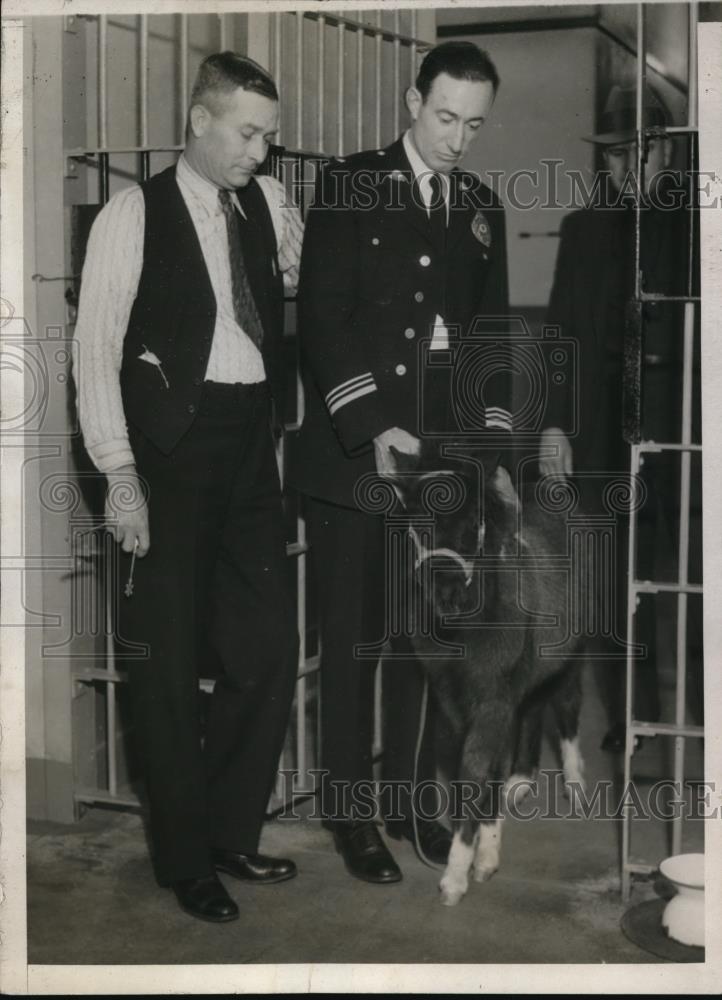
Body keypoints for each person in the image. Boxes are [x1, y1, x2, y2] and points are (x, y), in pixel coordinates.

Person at [73, 52, 304, 922]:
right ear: (198, 121)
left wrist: (285, 219)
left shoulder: (261, 204)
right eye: (247, 134)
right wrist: (120, 475)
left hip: (249, 446)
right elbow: (94, 350)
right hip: (166, 451)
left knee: (266, 647)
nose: (261, 151)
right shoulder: (130, 216)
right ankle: (183, 857)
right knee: (164, 664)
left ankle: (228, 829)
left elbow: (288, 282)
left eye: (269, 137)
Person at [289, 41, 511, 883]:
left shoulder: (481, 205)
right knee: (353, 644)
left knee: (426, 643)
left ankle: (416, 805)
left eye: (474, 124)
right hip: (359, 458)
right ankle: (352, 818)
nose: (458, 139)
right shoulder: (349, 184)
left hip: (443, 465)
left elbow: (490, 340)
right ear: (413, 101)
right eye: (445, 117)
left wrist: (488, 455)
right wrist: (372, 425)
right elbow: (323, 318)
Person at [539, 84, 702, 751]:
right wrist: (554, 424)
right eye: (615, 155)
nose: (629, 167)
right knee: (613, 579)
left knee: (696, 573)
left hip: (689, 422)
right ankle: (631, 722)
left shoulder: (699, 225)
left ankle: (698, 714)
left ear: (668, 153)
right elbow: (561, 335)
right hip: (608, 423)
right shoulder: (584, 231)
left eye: (644, 150)